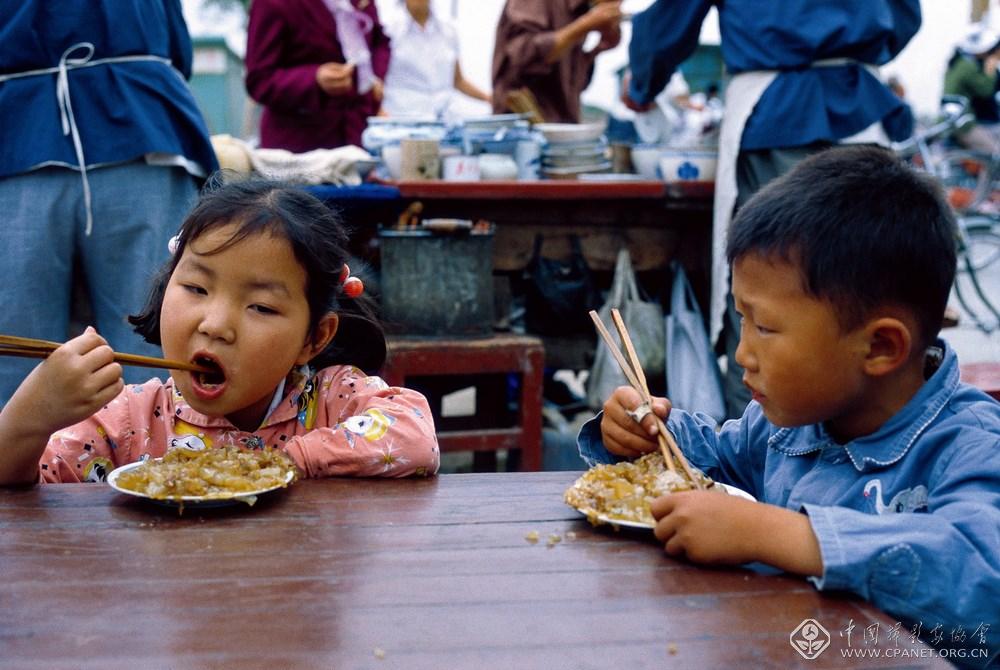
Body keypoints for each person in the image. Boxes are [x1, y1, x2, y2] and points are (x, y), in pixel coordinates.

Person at [579, 146, 1000, 663]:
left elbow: (982, 584)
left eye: (766, 327)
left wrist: (782, 536)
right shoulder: (790, 425)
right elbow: (712, 457)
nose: (741, 355)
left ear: (880, 347)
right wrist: (642, 428)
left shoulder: (968, 444)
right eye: (741, 320)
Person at [0, 180, 440, 485]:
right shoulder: (127, 420)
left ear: (314, 338)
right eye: (195, 288)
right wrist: (28, 417)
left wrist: (281, 463)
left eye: (261, 306)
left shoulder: (331, 400)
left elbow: (416, 440)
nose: (214, 324)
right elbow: (30, 483)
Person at [622, 0, 920, 419]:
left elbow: (669, 21)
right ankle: (877, 460)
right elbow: (906, 16)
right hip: (863, 116)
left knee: (770, 294)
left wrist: (642, 83)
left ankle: (759, 465)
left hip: (775, 117)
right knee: (871, 295)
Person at [0, 0, 218, 405]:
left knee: (18, 350)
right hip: (140, 127)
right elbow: (176, 48)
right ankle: (164, 457)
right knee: (154, 338)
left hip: (17, 140)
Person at [245, 0, 390, 152]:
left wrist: (374, 77)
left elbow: (379, 40)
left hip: (360, 139)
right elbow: (259, 79)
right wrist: (314, 79)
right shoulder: (272, 3)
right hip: (299, 151)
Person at [491, 0, 623, 124]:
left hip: (560, 133)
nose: (618, 5)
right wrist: (583, 26)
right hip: (521, 134)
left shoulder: (580, 10)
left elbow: (572, 84)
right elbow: (521, 59)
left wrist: (597, 50)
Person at [382, 0, 491, 121]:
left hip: (444, 120)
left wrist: (490, 99)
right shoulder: (387, 29)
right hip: (403, 120)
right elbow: (374, 82)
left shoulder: (448, 29)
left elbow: (458, 81)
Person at [943, 23, 1000, 155]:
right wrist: (990, 68)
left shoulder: (960, 62)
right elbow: (985, 90)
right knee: (995, 155)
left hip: (959, 121)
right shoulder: (967, 67)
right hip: (961, 124)